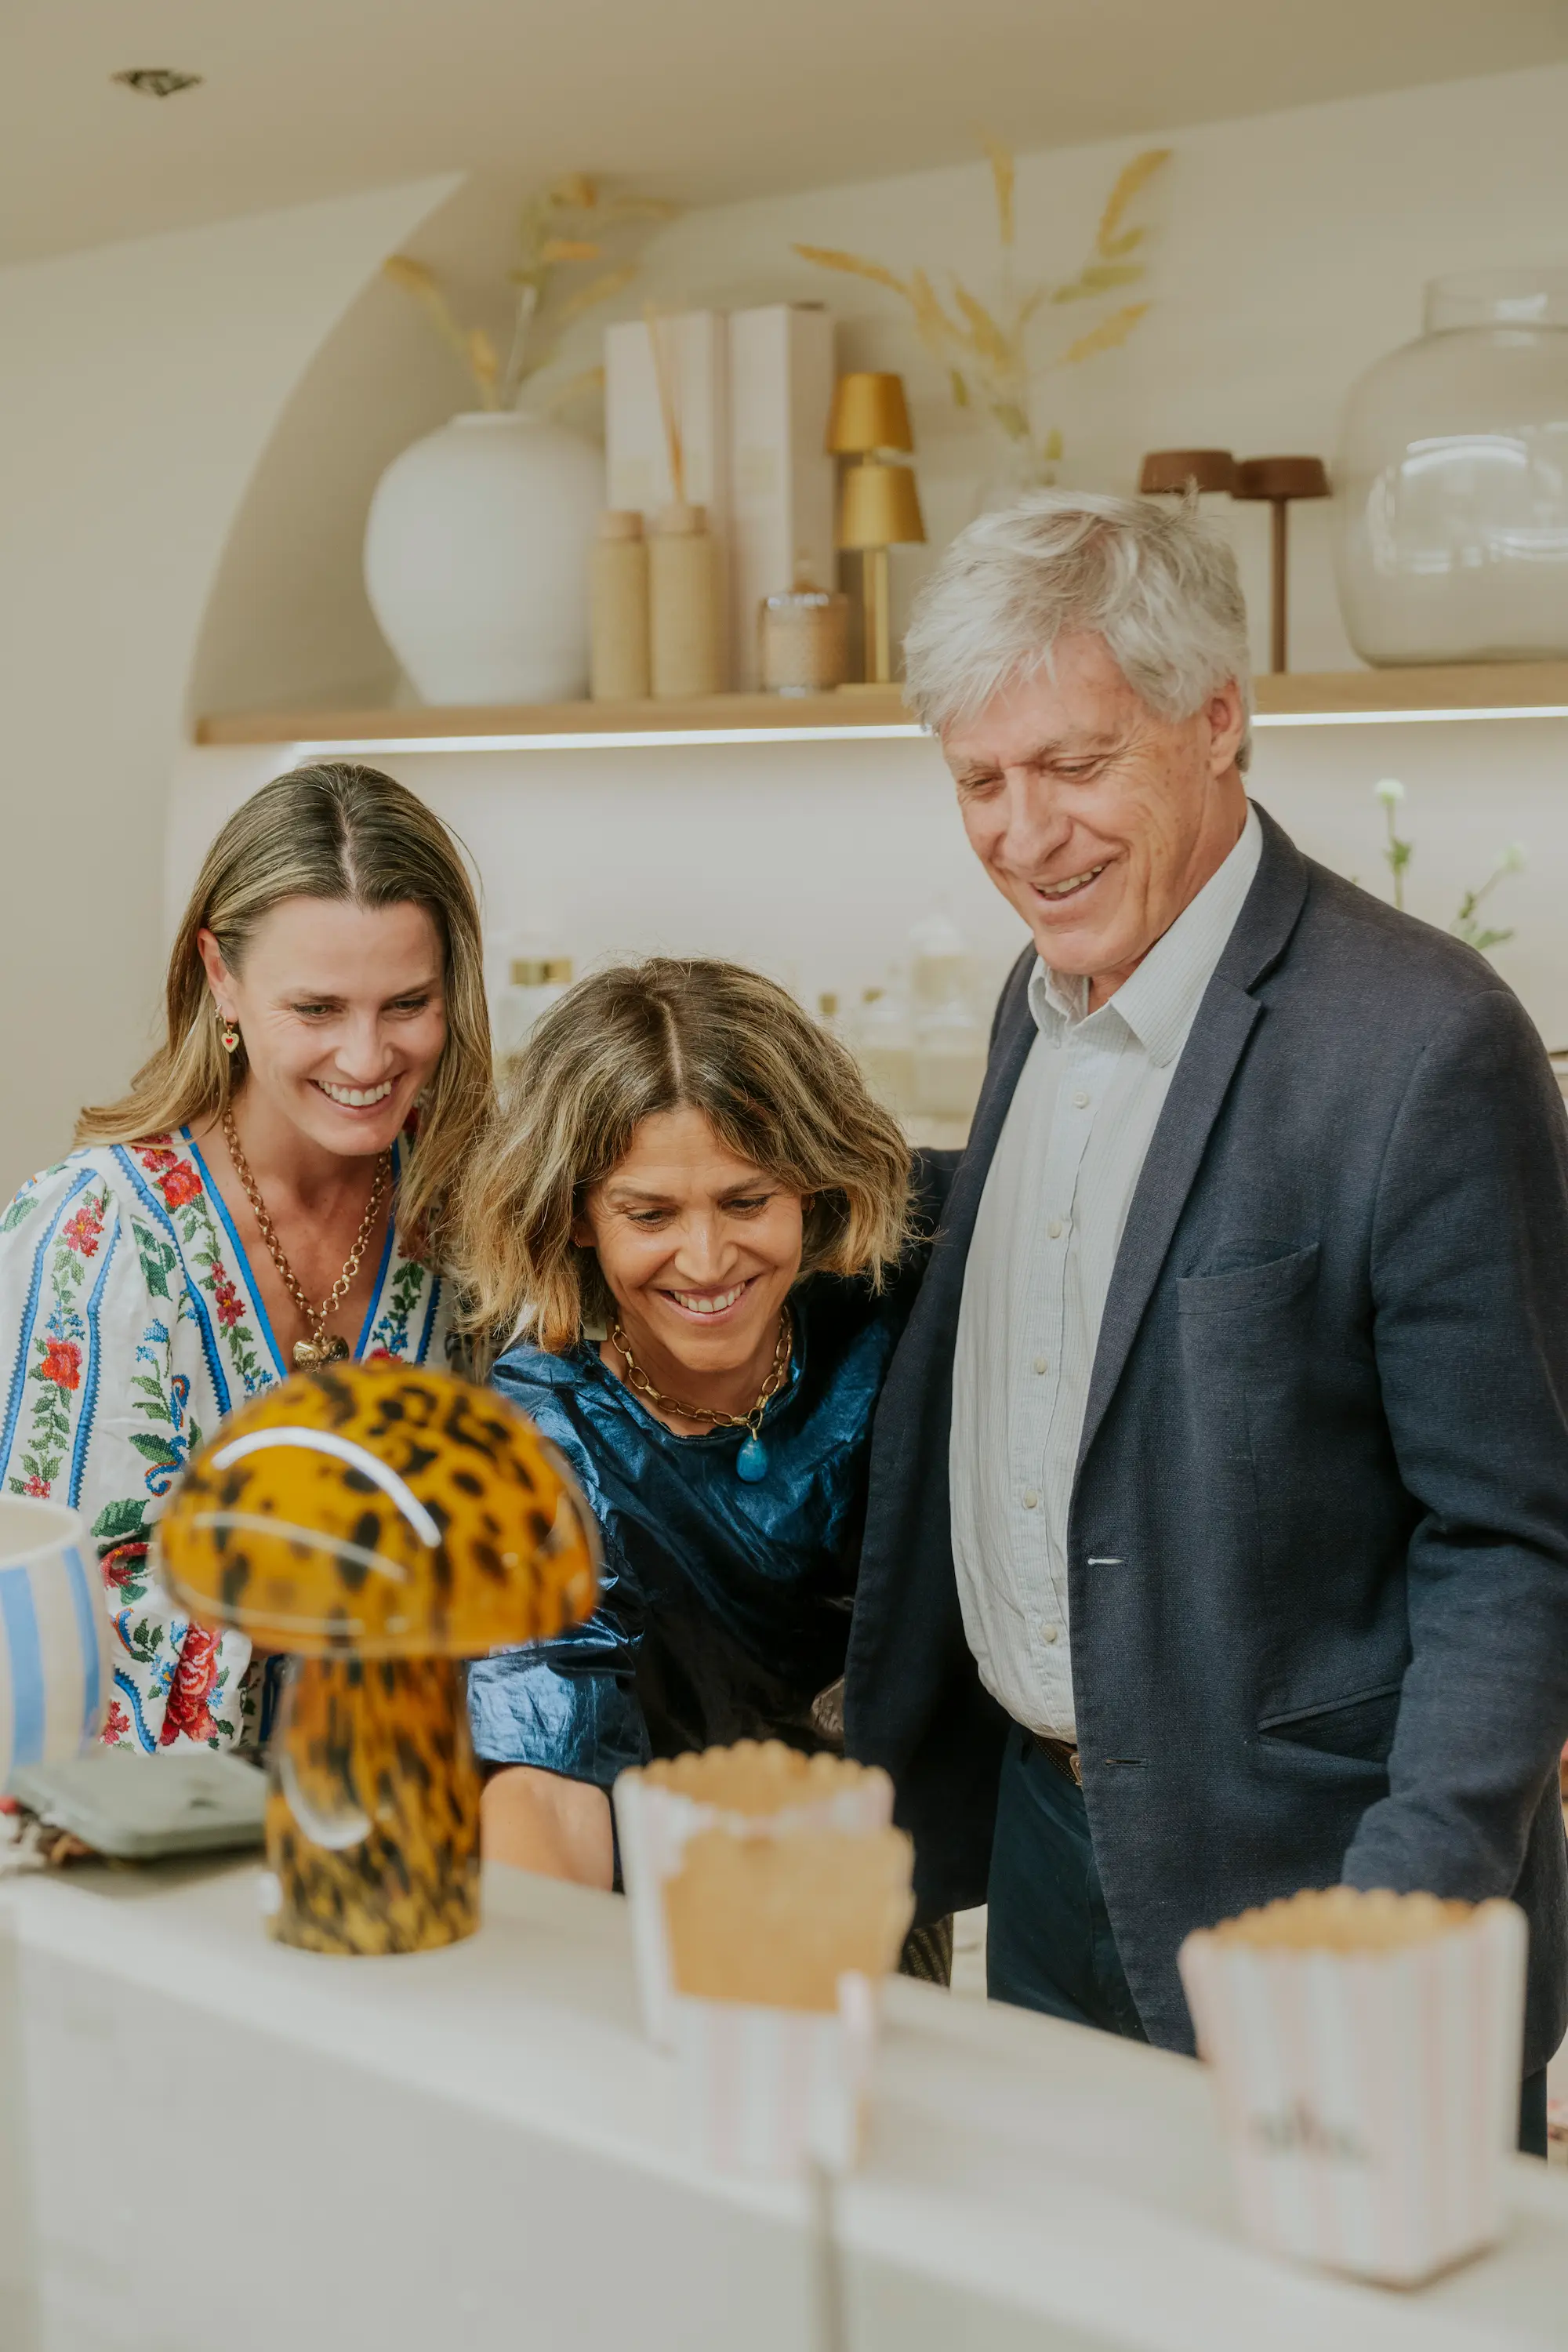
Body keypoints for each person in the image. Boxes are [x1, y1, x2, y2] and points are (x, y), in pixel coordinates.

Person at [842, 490, 1568, 2153]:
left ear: (1219, 718)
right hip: (1047, 1859)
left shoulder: (1425, 1047)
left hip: (1323, 1897)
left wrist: (1405, 1910)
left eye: (1073, 764)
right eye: (979, 781)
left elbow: (1514, 1544)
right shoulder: (1039, 997)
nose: (1026, 836)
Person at [0, 760, 491, 1752]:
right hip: (151, 1833)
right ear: (219, 977)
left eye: (407, 1003)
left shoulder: (477, 1223)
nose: (367, 1059)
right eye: (316, 1009)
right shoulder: (94, 1240)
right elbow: (46, 1619)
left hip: (424, 1815)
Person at [455, 958, 916, 1896]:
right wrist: (538, 1960)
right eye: (650, 1214)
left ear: (812, 1185)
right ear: (576, 1216)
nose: (705, 1261)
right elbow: (544, 1772)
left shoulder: (892, 1329)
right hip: (653, 1914)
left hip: (873, 1891)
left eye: (746, 1201)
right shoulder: (544, 1435)